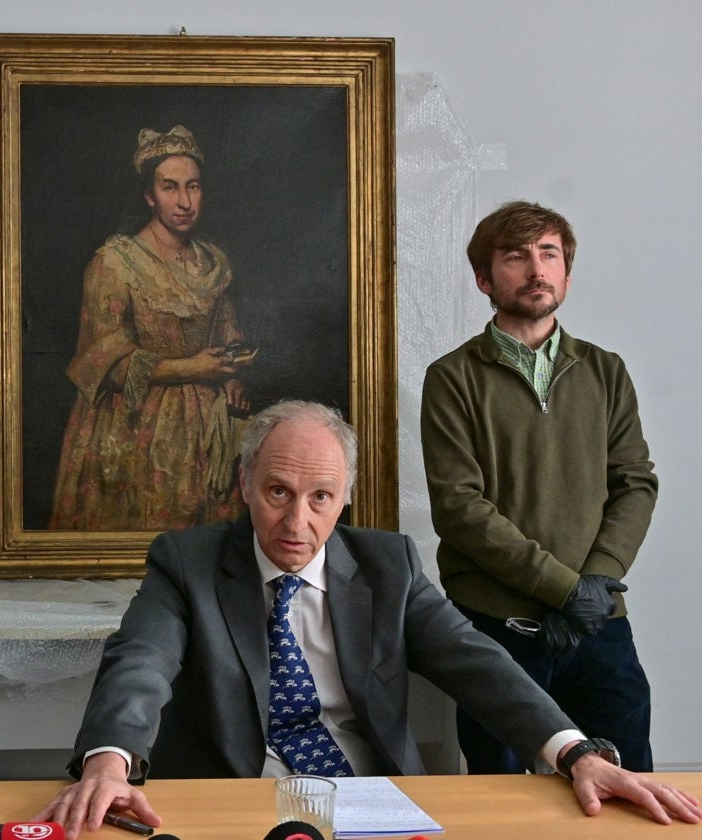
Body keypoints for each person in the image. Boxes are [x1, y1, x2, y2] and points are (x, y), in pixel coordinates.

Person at [35, 401, 699, 838]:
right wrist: (109, 763)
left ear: (345, 498)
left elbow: (477, 663)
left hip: (371, 801)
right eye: (277, 492)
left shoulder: (390, 566)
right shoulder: (188, 562)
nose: (297, 522)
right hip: (236, 802)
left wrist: (576, 752)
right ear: (244, 485)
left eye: (321, 497)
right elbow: (141, 661)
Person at [420, 201, 658, 775]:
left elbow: (635, 483)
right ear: (484, 278)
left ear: (566, 273)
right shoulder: (452, 378)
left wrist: (595, 584)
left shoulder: (606, 371)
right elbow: (459, 508)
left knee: (630, 788)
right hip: (497, 630)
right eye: (515, 256)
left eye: (549, 254)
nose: (536, 270)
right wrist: (565, 590)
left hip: (598, 624)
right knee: (502, 801)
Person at [49, 124, 254, 531]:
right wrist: (191, 369)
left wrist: (233, 378)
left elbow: (229, 337)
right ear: (149, 195)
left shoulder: (212, 261)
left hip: (208, 428)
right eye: (170, 188)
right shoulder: (115, 263)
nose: (184, 202)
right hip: (134, 426)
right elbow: (104, 364)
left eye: (193, 187)